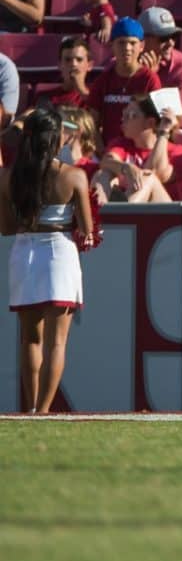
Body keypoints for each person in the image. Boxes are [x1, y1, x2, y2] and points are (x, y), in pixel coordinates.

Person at [2, 107, 94, 413]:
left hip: (23, 251)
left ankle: (30, 409)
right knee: (57, 342)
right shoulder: (74, 176)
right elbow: (86, 228)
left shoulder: (7, 178)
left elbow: (5, 227)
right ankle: (43, 411)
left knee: (30, 338)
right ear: (56, 139)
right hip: (58, 253)